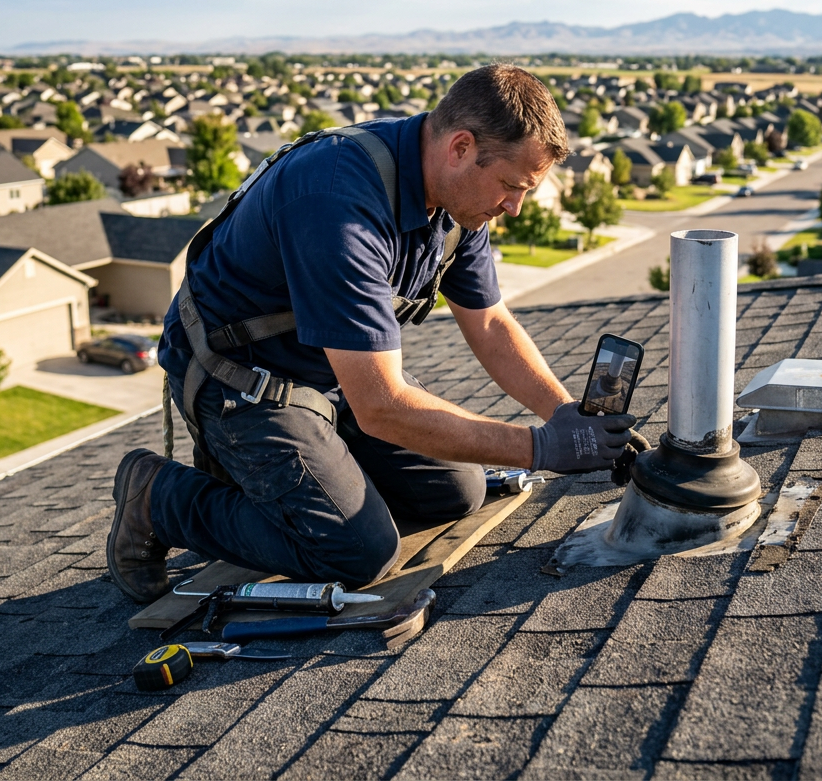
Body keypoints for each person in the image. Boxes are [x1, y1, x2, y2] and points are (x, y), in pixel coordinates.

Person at [107, 64, 638, 602]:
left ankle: (311, 478)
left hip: (329, 370)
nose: (514, 207)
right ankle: (158, 497)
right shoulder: (339, 197)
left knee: (458, 491)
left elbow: (491, 323)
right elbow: (381, 404)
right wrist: (542, 448)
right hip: (241, 376)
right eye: (510, 186)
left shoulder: (457, 205)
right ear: (460, 147)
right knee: (357, 552)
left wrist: (566, 415)